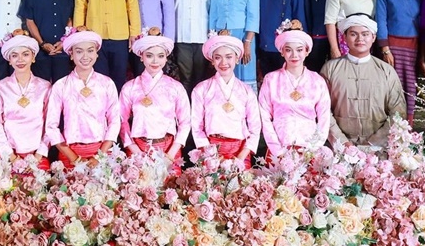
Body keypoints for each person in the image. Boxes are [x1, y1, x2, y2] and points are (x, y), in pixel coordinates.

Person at [321, 14, 407, 148]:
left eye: (365, 34)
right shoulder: (330, 69)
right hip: (338, 149)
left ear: (373, 37)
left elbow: (398, 113)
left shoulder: (387, 71)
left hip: (379, 149)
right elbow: (322, 111)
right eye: (353, 34)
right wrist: (343, 143)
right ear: (344, 37)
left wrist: (374, 143)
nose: (360, 39)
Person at [45, 29, 120, 168]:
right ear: (71, 54)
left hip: (102, 152)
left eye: (90, 51)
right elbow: (51, 126)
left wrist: (99, 156)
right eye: (79, 51)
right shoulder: (61, 85)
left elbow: (115, 121)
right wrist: (74, 158)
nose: (85, 56)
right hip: (69, 153)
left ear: (97, 53)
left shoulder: (107, 83)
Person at [120, 33, 191, 175]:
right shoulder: (130, 87)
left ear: (166, 58)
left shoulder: (175, 87)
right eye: (149, 55)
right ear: (141, 57)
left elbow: (185, 122)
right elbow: (121, 121)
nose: (155, 61)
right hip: (138, 149)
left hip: (169, 150)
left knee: (170, 187)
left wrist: (170, 154)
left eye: (160, 56)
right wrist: (136, 151)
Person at [190, 33, 261, 168]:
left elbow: (255, 128)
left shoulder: (247, 91)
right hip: (211, 152)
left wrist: (240, 158)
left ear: (237, 58)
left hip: (240, 152)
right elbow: (197, 127)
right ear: (212, 60)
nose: (223, 63)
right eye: (218, 57)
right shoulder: (201, 89)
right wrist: (213, 156)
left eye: (229, 57)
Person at [258, 28, 331, 154]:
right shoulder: (271, 79)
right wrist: (277, 150)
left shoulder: (317, 81)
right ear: (282, 52)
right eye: (288, 50)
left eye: (299, 50)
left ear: (307, 51)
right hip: (278, 149)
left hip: (310, 150)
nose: (294, 55)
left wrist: (313, 148)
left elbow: (324, 118)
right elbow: (264, 116)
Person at [0, 31, 52, 170]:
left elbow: (50, 122)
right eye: (14, 55)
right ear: (9, 60)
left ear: (33, 57)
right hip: (8, 155)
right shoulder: (0, 87)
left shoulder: (45, 86)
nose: (20, 60)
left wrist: (38, 155)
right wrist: (11, 157)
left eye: (25, 54)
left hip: (37, 155)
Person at [374, 0, 421, 123]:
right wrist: (385, 49)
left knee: (411, 86)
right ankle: (394, 126)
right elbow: (381, 20)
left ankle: (408, 126)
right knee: (395, 85)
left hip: (414, 45)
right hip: (393, 45)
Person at [206, 0, 259, 92]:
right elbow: (213, 16)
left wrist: (247, 43)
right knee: (223, 70)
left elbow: (253, 18)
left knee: (243, 72)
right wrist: (212, 40)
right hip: (220, 36)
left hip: (242, 36)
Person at [17, 0, 74, 82]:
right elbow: (29, 21)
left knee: (61, 85)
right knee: (41, 86)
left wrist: (64, 41)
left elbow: (69, 19)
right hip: (40, 52)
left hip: (62, 51)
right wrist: (42, 43)